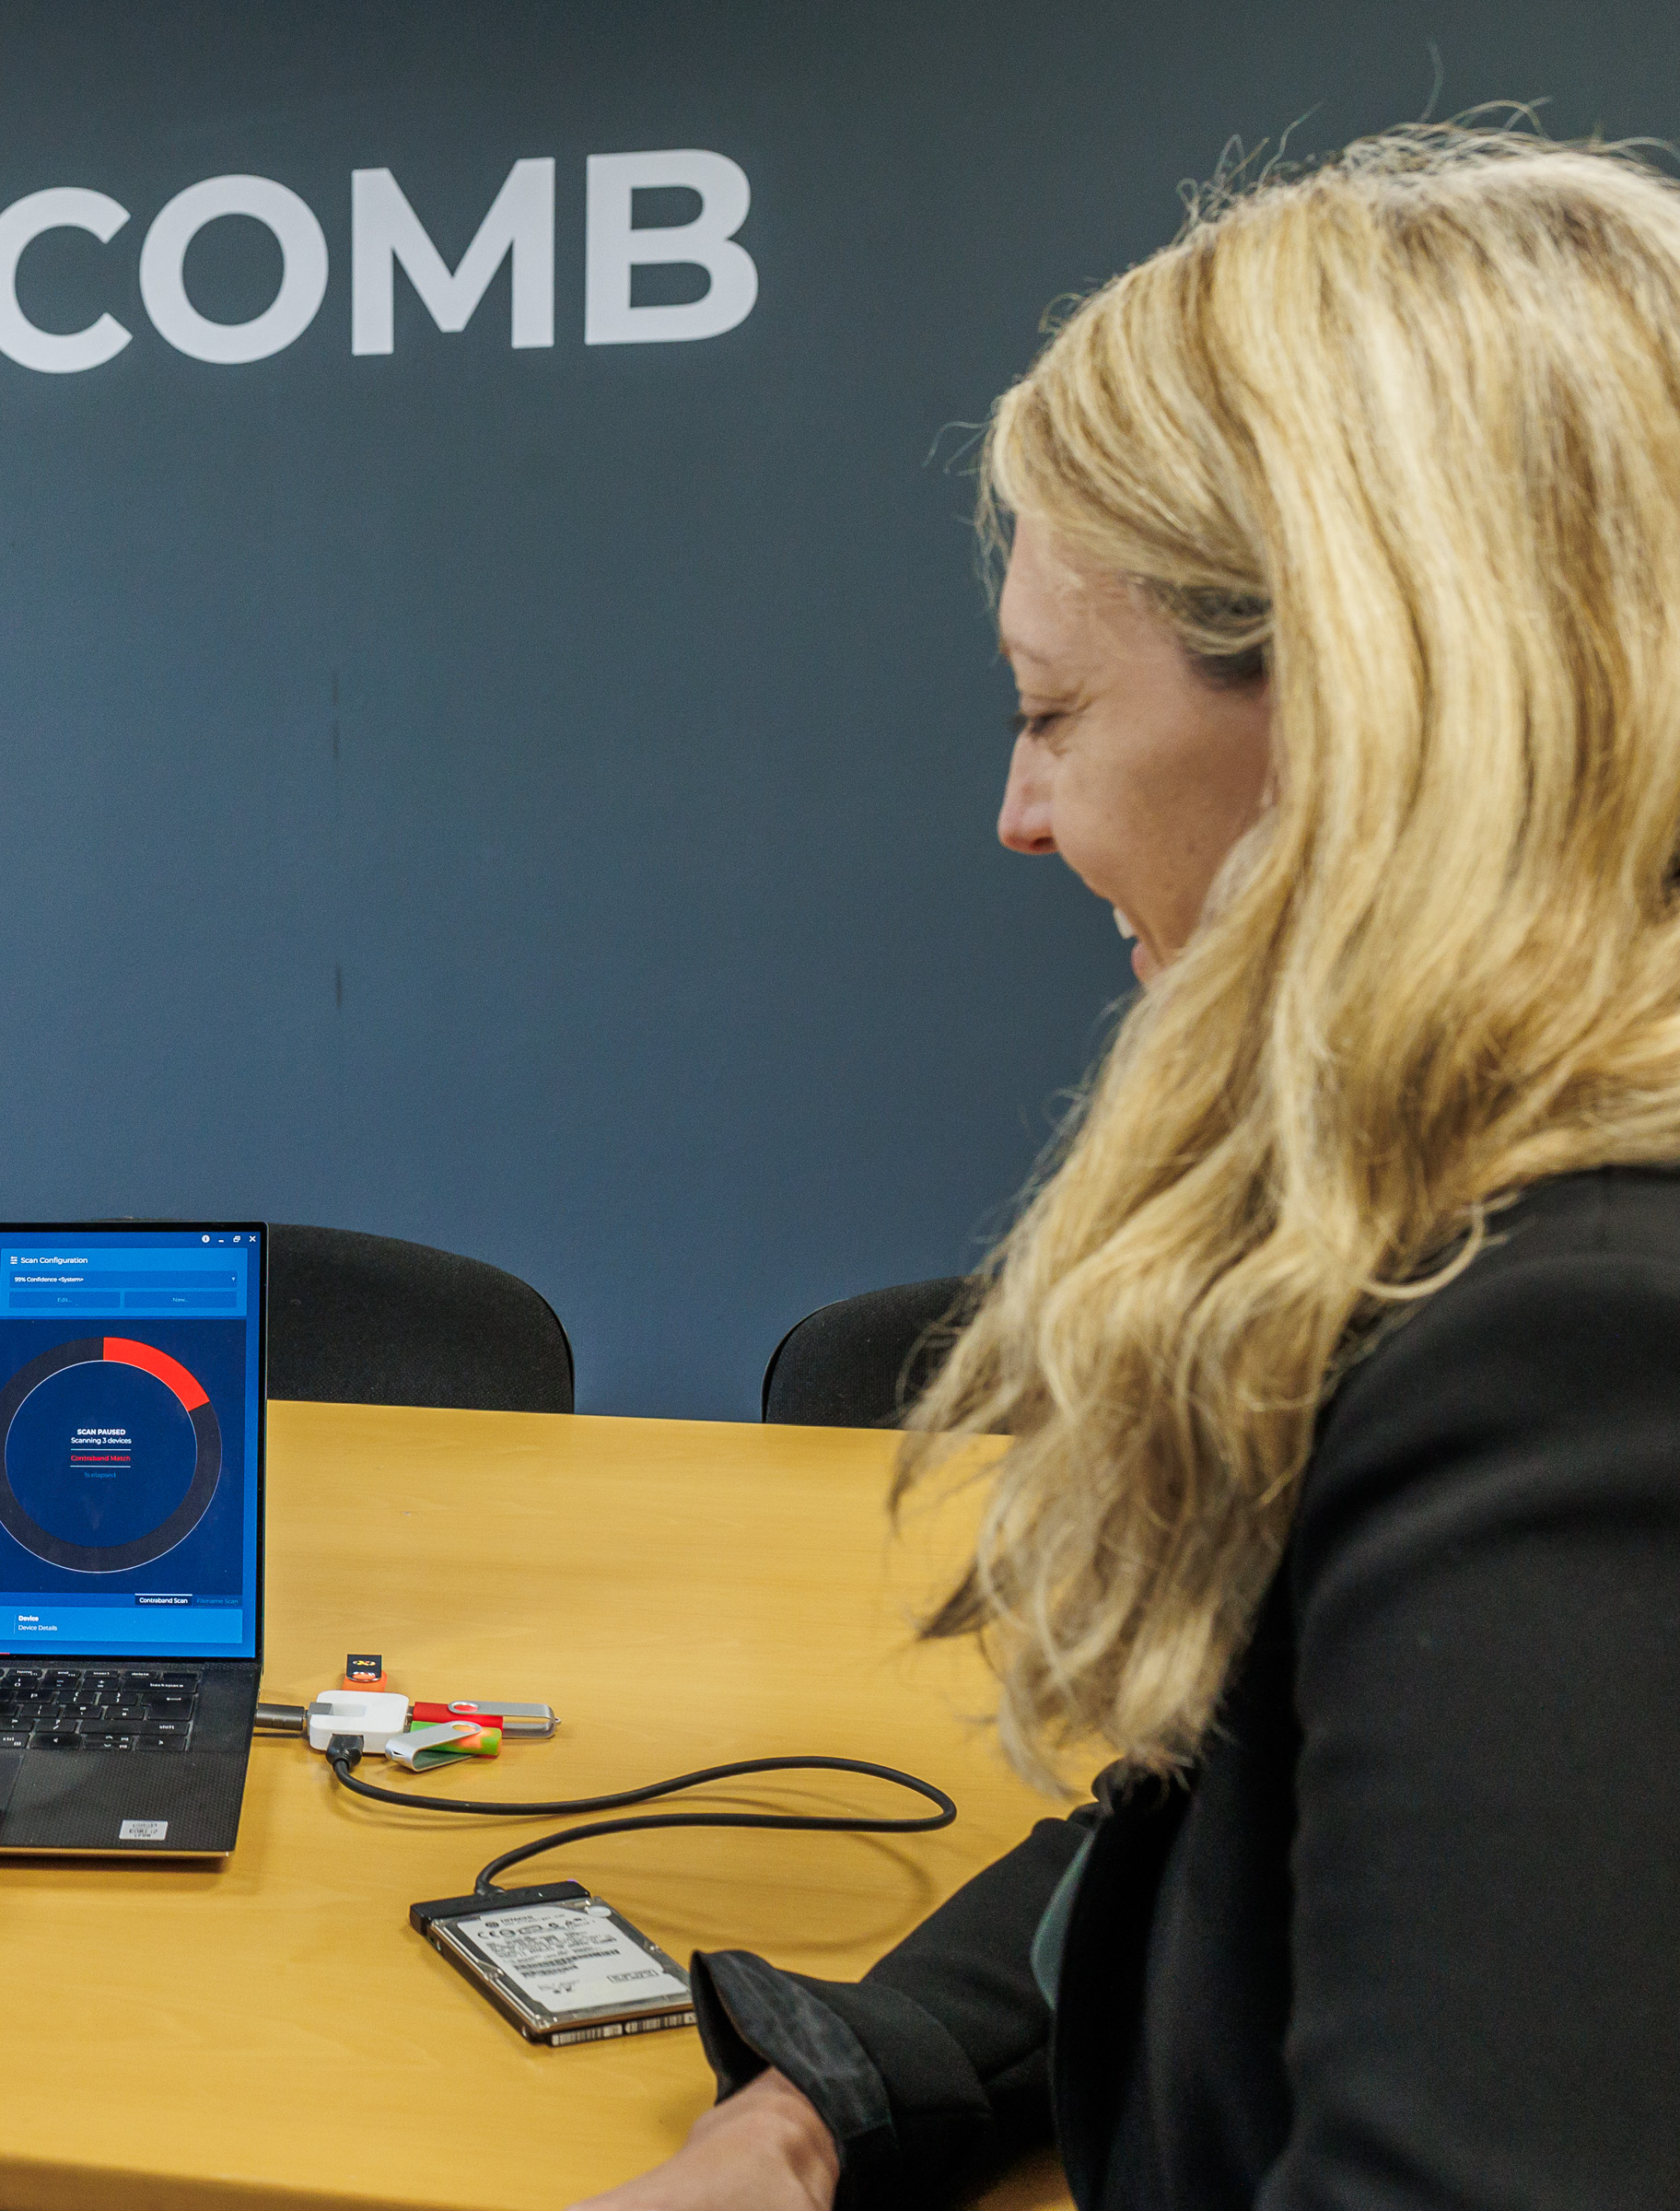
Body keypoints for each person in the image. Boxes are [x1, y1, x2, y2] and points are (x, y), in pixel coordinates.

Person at [576, 127, 1680, 2209]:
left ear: (1370, 702)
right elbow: (1223, 1821)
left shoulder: (1584, 1352)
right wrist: (819, 2106)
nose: (1020, 813)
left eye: (1055, 710)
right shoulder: (1491, 1248)